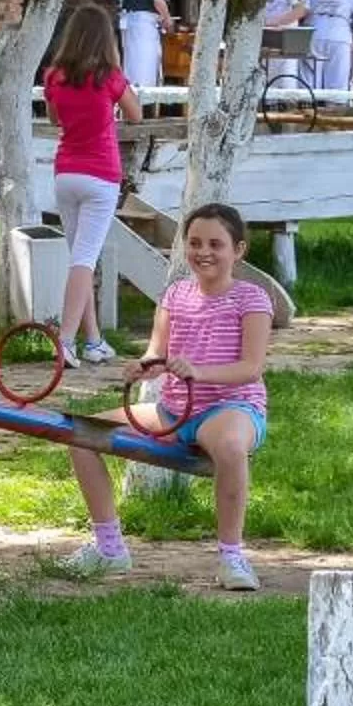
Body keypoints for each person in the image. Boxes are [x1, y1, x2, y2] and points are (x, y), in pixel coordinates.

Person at [58, 202, 272, 591]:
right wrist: (145, 366)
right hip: (173, 409)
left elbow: (250, 367)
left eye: (215, 244)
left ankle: (231, 557)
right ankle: (109, 548)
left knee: (229, 446)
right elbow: (157, 352)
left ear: (238, 250)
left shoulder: (251, 299)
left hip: (231, 406)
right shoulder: (175, 295)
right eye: (194, 242)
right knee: (80, 434)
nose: (203, 252)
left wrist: (199, 372)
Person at [42, 3, 141, 363]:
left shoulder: (54, 76)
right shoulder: (110, 77)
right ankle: (65, 341)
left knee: (79, 260)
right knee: (84, 260)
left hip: (65, 172)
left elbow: (55, 118)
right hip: (101, 175)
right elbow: (136, 113)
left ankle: (94, 341)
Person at [115, 0, 173, 89]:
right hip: (145, 24)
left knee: (129, 69)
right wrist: (167, 19)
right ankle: (139, 105)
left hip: (127, 20)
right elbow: (158, 0)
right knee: (143, 75)